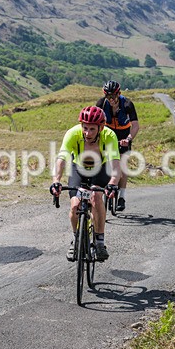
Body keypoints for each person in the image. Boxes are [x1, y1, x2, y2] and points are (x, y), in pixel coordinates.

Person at [50, 106, 120, 262]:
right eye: (85, 128)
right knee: (75, 205)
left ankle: (100, 242)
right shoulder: (73, 134)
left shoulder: (109, 136)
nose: (87, 133)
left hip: (100, 169)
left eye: (92, 129)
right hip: (78, 169)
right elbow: (61, 159)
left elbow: (115, 165)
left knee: (96, 197)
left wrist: (113, 183)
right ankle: (76, 239)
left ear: (101, 127)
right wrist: (56, 181)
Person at [95, 81, 139, 211]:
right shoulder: (101, 104)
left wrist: (129, 139)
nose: (111, 99)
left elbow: (135, 126)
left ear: (119, 94)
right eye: (108, 96)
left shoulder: (127, 105)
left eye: (113, 96)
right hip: (108, 135)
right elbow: (94, 122)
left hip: (123, 136)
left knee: (122, 165)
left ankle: (122, 197)